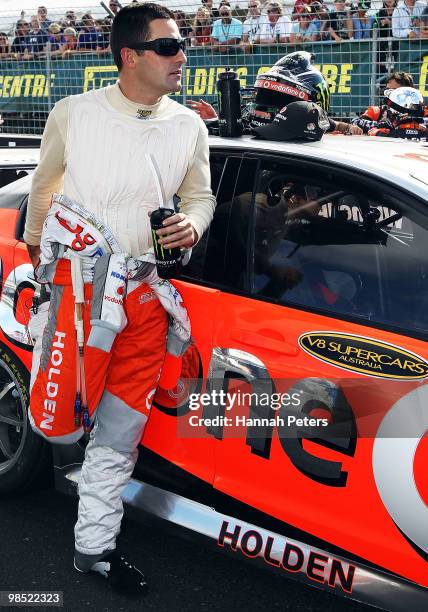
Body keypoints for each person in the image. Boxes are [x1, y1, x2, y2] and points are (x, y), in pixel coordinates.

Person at [24, 1, 215, 596]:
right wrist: (39, 261)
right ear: (130, 55)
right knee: (56, 426)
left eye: (181, 45)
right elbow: (44, 186)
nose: (182, 56)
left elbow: (200, 198)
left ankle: (94, 550)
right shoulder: (73, 113)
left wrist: (193, 225)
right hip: (77, 292)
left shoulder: (190, 124)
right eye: (168, 47)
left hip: (148, 302)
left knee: (119, 434)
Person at [352, 71, 417, 132]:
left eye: (394, 91)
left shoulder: (421, 111)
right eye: (388, 90)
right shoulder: (378, 111)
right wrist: (386, 125)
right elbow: (355, 123)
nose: (390, 94)